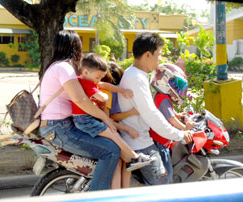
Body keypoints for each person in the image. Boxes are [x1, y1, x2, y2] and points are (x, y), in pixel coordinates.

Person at [39, 30, 120, 191]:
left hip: (55, 126)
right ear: (75, 47)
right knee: (111, 151)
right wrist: (106, 119)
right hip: (60, 128)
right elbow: (80, 100)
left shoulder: (54, 66)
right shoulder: (64, 68)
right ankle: (97, 197)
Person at [118, 32, 193, 185]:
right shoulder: (136, 78)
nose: (160, 59)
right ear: (147, 55)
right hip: (140, 143)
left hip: (139, 139)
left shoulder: (136, 74)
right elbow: (151, 114)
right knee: (163, 186)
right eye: (158, 54)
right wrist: (179, 134)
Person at [72, 53, 155, 173]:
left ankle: (131, 157)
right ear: (85, 72)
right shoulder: (87, 84)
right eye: (97, 77)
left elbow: (104, 85)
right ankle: (136, 158)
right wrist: (106, 96)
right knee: (113, 133)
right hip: (85, 120)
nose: (99, 81)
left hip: (87, 119)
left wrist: (122, 90)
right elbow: (102, 97)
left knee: (113, 135)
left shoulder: (85, 80)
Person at [149, 63, 196, 183]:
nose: (177, 89)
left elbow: (171, 113)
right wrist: (185, 128)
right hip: (161, 142)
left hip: (162, 139)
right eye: (175, 84)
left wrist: (180, 115)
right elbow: (171, 119)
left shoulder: (162, 96)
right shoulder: (163, 98)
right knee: (167, 175)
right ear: (164, 82)